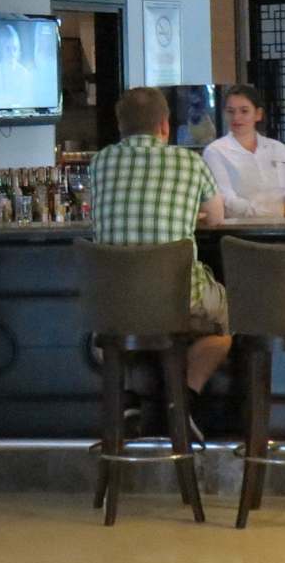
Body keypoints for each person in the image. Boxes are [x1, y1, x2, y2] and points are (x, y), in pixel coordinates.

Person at [86, 86, 230, 391]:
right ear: (164, 125)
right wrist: (186, 212)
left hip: (113, 304)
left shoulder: (99, 162)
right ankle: (183, 397)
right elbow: (217, 217)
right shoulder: (190, 161)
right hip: (179, 300)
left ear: (120, 125)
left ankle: (133, 400)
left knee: (124, 331)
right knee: (231, 320)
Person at [203, 84, 285, 221]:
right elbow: (227, 203)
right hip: (240, 230)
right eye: (231, 111)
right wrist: (282, 210)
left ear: (258, 114)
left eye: (244, 111)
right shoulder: (215, 151)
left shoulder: (277, 148)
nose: (236, 117)